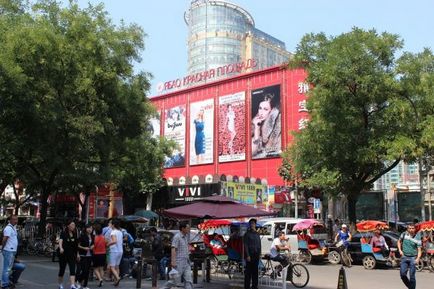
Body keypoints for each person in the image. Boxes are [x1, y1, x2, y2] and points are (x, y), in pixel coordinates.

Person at [161, 222, 192, 289]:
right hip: (179, 262)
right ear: (183, 228)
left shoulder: (185, 237)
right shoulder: (177, 237)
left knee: (188, 280)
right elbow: (173, 249)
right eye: (187, 228)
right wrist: (173, 261)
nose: (188, 229)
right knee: (174, 281)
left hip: (186, 262)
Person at [251, 93, 281, 158]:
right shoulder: (255, 124)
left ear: (272, 111)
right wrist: (257, 128)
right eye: (260, 108)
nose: (261, 112)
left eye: (265, 109)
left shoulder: (277, 126)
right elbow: (252, 152)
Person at [398, 223, 422, 289]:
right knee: (402, 274)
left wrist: (418, 258)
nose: (411, 230)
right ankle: (410, 287)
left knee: (412, 276)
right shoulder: (403, 234)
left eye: (412, 228)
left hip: (413, 258)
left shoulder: (418, 237)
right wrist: (400, 250)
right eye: (410, 228)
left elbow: (419, 249)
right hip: (404, 257)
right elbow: (399, 241)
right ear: (407, 229)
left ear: (415, 229)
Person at [57, 220, 79, 289]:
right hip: (63, 254)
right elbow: (60, 242)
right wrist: (61, 248)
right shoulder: (63, 233)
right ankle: (60, 284)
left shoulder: (75, 234)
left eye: (74, 225)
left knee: (72, 270)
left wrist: (77, 254)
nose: (73, 226)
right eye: (72, 225)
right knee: (62, 270)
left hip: (72, 254)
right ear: (68, 225)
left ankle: (72, 285)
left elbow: (76, 245)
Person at [2, 215, 18, 289]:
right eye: (14, 219)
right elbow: (5, 239)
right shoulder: (8, 228)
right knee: (7, 269)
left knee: (8, 268)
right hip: (9, 250)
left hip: (11, 251)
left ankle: (7, 282)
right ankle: (5, 284)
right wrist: (3, 247)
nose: (16, 221)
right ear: (10, 220)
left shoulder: (13, 228)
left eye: (16, 219)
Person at [244, 218, 261, 289]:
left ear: (255, 225)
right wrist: (247, 255)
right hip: (250, 255)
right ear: (249, 225)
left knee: (255, 272)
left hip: (256, 255)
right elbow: (246, 245)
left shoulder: (257, 234)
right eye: (251, 223)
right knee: (248, 273)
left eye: (253, 223)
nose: (252, 225)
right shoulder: (247, 234)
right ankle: (247, 286)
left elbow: (259, 245)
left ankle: (254, 286)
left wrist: (259, 254)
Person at [77, 224, 94, 289]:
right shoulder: (82, 236)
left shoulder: (92, 236)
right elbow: (77, 245)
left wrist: (93, 246)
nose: (90, 229)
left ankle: (85, 285)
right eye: (88, 228)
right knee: (84, 270)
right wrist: (84, 248)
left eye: (91, 228)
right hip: (83, 255)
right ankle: (78, 280)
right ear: (85, 229)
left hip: (90, 255)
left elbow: (94, 244)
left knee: (87, 271)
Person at [107, 219, 123, 286]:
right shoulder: (120, 232)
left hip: (114, 251)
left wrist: (107, 244)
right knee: (117, 266)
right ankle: (116, 281)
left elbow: (114, 241)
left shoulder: (113, 232)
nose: (109, 225)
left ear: (113, 225)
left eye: (110, 224)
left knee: (112, 267)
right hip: (120, 250)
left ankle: (117, 278)